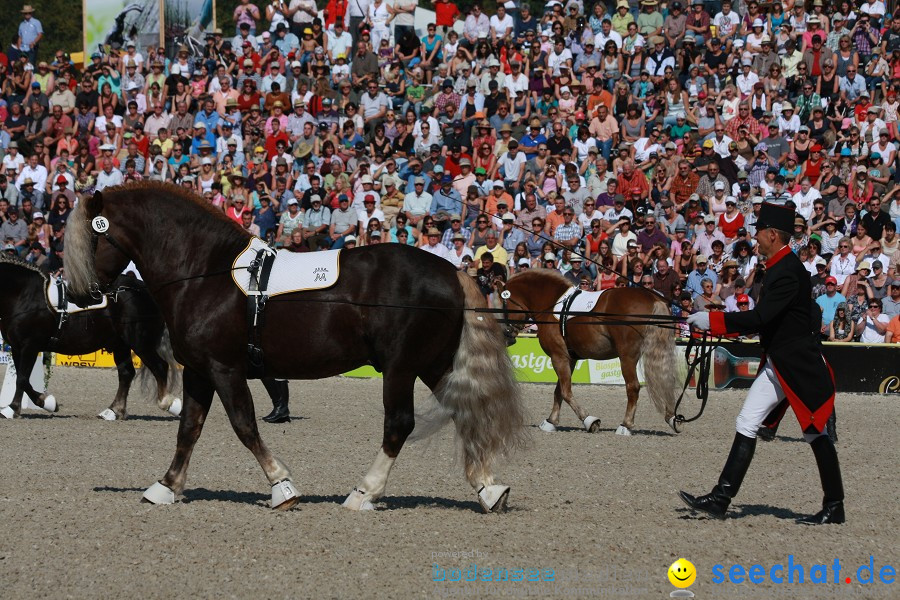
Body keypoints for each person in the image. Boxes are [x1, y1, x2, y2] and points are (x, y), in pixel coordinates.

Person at [682, 203, 844, 524]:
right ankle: (720, 498)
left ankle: (835, 506)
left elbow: (759, 317)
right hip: (779, 364)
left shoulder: (787, 271)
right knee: (747, 421)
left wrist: (713, 321)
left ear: (772, 234)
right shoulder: (778, 267)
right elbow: (768, 321)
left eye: (758, 232)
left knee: (815, 433)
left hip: (796, 366)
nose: (754, 237)